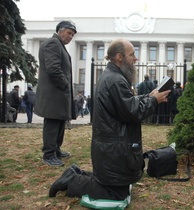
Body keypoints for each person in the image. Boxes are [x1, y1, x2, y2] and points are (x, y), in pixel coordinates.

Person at [48, 39, 170, 201]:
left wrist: (148, 96)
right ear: (119, 57)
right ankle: (72, 180)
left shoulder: (112, 77)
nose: (136, 59)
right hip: (113, 149)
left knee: (118, 186)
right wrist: (154, 100)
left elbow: (126, 103)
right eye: (132, 54)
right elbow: (132, 112)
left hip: (111, 148)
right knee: (117, 194)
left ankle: (76, 174)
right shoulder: (116, 80)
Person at [34, 20, 77, 166]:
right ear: (60, 30)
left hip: (57, 94)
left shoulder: (59, 45)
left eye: (73, 34)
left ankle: (56, 149)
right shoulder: (53, 43)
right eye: (69, 33)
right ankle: (49, 154)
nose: (71, 37)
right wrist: (65, 85)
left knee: (59, 122)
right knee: (52, 124)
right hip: (54, 93)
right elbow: (54, 69)